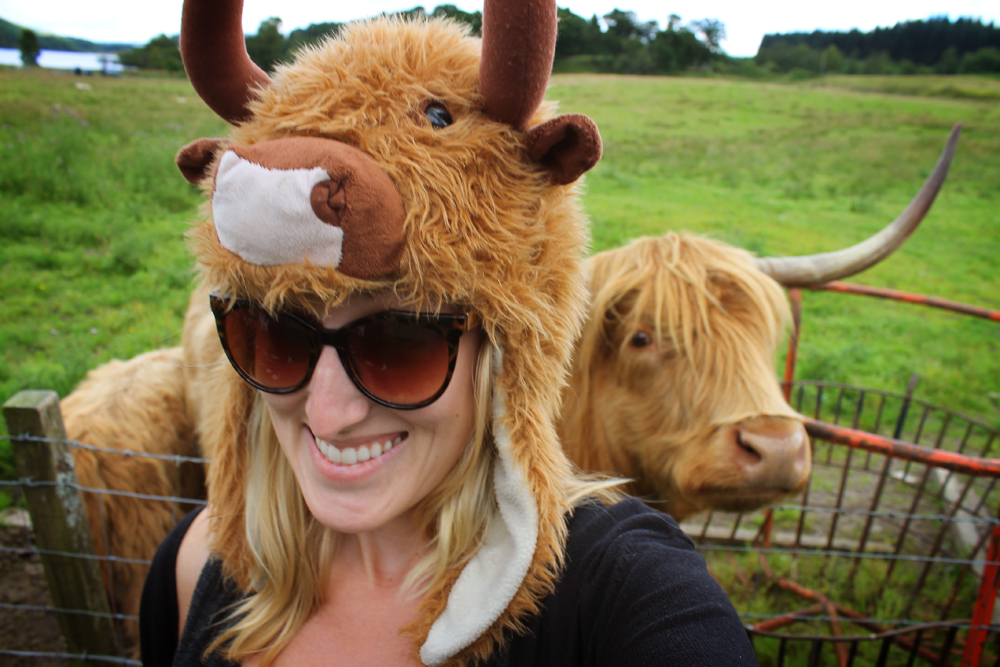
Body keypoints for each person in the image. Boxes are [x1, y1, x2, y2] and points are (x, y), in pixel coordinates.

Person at [139, 0, 759, 665]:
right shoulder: (193, 564)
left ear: (507, 348)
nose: (328, 413)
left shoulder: (620, 587)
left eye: (399, 342)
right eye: (276, 335)